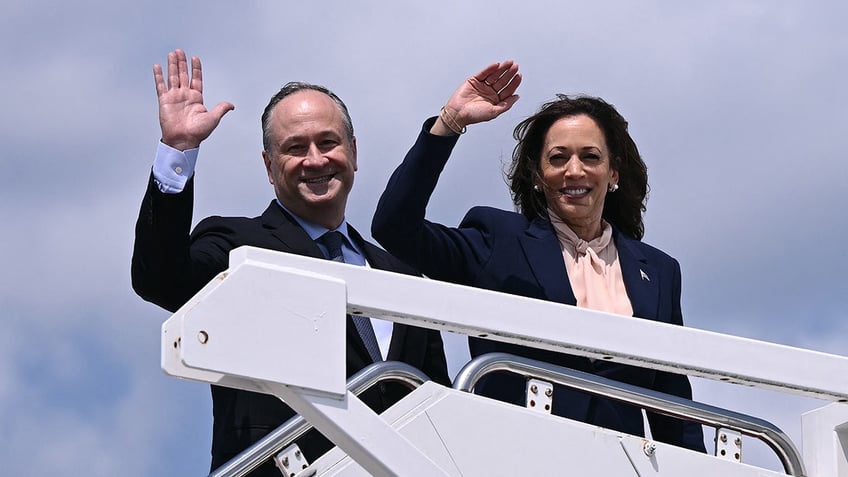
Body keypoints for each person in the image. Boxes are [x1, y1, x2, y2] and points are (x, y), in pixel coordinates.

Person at [131, 49, 450, 476]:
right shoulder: (237, 244)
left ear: (354, 153)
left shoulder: (403, 277)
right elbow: (160, 280)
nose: (315, 160)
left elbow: (436, 404)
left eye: (328, 143)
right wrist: (179, 150)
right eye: (295, 148)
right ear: (269, 166)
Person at [371, 60, 706, 452]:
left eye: (591, 157)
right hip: (516, 457)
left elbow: (673, 406)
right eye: (558, 158)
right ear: (536, 173)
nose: (574, 171)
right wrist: (450, 122)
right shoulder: (497, 239)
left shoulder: (660, 271)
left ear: (614, 172)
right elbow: (394, 227)